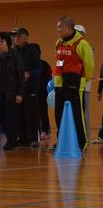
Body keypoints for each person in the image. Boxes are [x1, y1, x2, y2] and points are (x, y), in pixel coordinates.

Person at [52, 17, 94, 150]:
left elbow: (89, 65)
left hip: (75, 84)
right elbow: (58, 61)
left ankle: (82, 143)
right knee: (59, 115)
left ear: (69, 28)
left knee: (78, 115)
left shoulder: (82, 44)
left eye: (60, 27)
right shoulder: (58, 43)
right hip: (59, 84)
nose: (57, 30)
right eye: (57, 27)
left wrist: (84, 79)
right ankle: (62, 142)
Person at [0, 32, 25, 150]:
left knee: (11, 118)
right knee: (1, 118)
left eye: (2, 42)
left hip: (13, 94)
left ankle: (11, 140)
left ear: (8, 43)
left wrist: (20, 93)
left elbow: (21, 76)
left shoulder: (15, 57)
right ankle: (12, 137)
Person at [12, 28, 41, 147]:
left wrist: (29, 73)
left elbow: (39, 69)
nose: (16, 38)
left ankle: (33, 139)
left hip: (30, 88)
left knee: (31, 114)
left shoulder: (33, 51)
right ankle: (22, 138)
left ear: (26, 37)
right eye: (14, 36)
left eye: (19, 36)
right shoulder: (12, 52)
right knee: (18, 114)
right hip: (16, 89)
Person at [75, 24, 94, 136]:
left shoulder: (86, 47)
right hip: (73, 85)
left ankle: (86, 135)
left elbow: (89, 67)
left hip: (84, 86)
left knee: (84, 111)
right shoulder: (71, 47)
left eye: (79, 32)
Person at [33, 43, 52, 140]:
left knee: (43, 111)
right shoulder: (29, 65)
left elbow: (49, 79)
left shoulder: (44, 64)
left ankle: (45, 130)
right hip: (31, 93)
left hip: (43, 93)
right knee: (32, 113)